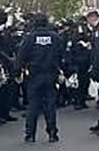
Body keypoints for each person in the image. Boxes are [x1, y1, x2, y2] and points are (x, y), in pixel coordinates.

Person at [16, 13, 64, 143]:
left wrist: (17, 72)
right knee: (50, 105)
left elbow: (21, 56)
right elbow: (61, 54)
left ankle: (30, 134)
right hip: (51, 74)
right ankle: (52, 133)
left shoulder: (30, 38)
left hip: (34, 75)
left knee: (33, 105)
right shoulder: (55, 37)